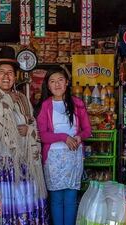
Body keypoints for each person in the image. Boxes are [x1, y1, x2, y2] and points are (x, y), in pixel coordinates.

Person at [0, 46, 48, 225]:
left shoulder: (23, 99)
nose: (6, 77)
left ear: (15, 77)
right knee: (0, 204)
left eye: (10, 73)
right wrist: (6, 101)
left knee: (22, 205)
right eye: (2, 72)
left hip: (22, 163)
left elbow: (32, 124)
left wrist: (28, 131)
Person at [36, 69, 91, 225]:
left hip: (74, 157)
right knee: (56, 199)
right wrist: (63, 137)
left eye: (60, 80)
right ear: (48, 85)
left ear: (67, 82)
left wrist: (79, 137)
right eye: (52, 81)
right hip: (53, 159)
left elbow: (87, 130)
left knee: (71, 198)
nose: (57, 84)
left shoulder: (78, 103)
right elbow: (42, 135)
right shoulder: (45, 106)